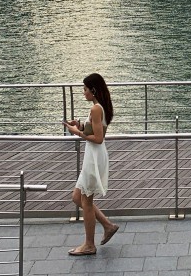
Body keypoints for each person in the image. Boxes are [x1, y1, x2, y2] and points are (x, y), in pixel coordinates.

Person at [63, 73, 119, 256]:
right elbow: (96, 129)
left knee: (86, 201)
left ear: (93, 90)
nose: (83, 92)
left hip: (94, 157)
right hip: (93, 156)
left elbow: (99, 138)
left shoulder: (96, 109)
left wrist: (75, 132)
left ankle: (89, 244)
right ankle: (108, 225)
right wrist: (79, 126)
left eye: (85, 89)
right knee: (77, 197)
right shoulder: (99, 108)